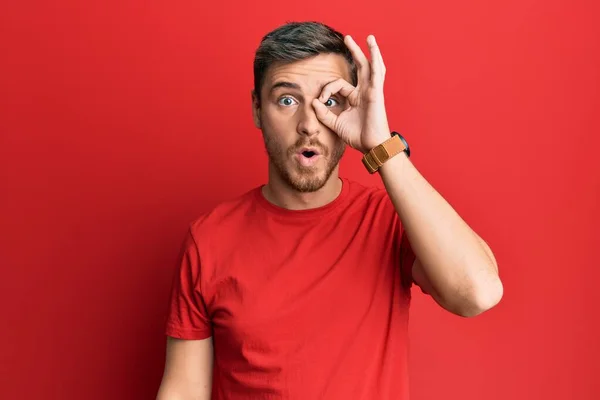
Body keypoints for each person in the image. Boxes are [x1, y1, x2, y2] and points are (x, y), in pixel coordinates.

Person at [155, 21, 503, 400]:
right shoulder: (208, 239)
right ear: (257, 109)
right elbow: (185, 389)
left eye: (330, 101)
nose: (308, 125)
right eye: (287, 100)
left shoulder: (389, 221)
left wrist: (381, 145)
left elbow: (477, 293)